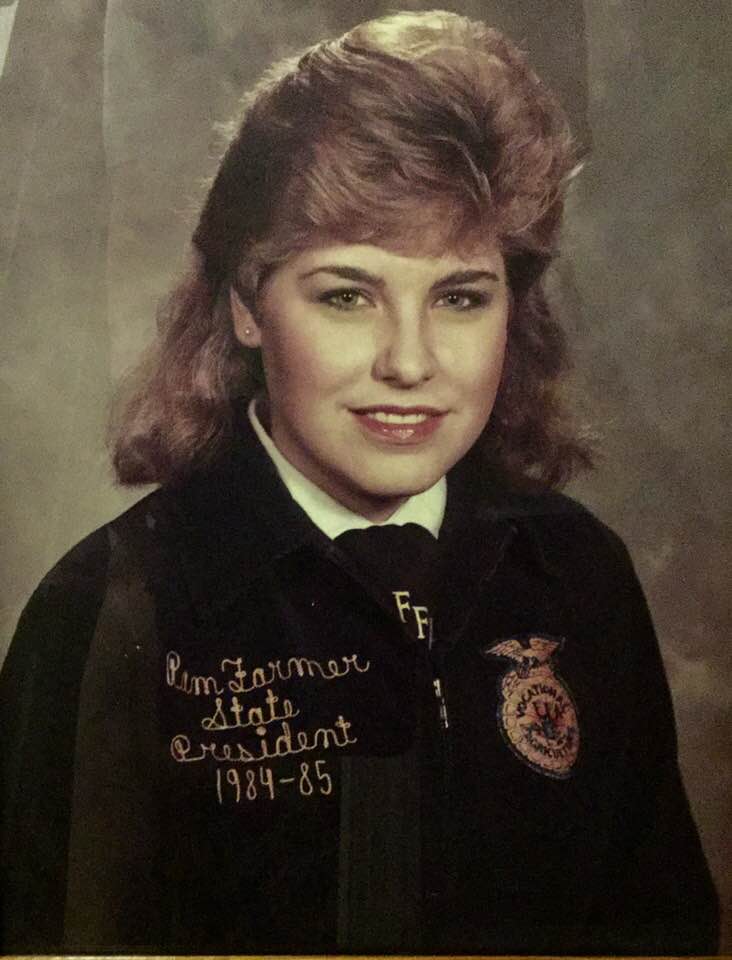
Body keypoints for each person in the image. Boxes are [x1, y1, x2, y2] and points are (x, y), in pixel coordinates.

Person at [0, 9, 719, 955]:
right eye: (347, 296)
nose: (411, 363)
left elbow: (663, 933)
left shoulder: (578, 572)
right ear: (248, 307)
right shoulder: (107, 612)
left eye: (460, 297)